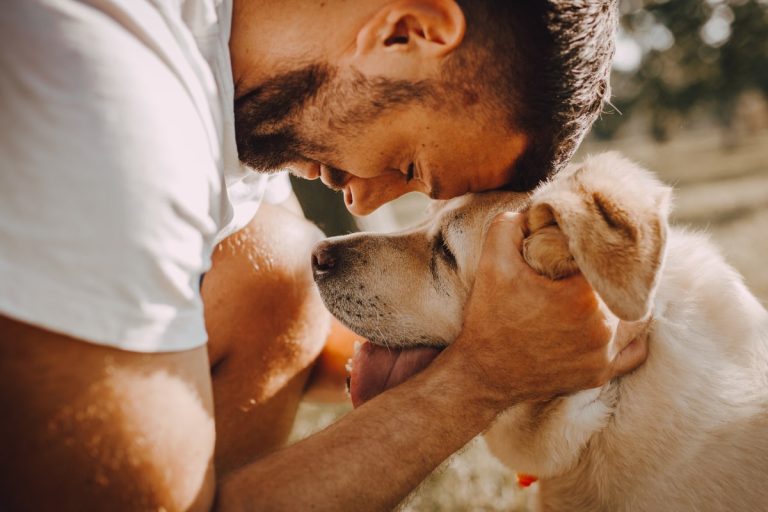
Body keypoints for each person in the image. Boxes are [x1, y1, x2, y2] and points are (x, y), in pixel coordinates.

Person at [0, 0, 647, 510]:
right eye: (408, 163)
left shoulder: (228, 73)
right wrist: (483, 377)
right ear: (408, 31)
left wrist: (516, 334)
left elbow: (286, 326)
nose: (362, 203)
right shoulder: (110, 100)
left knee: (275, 271)